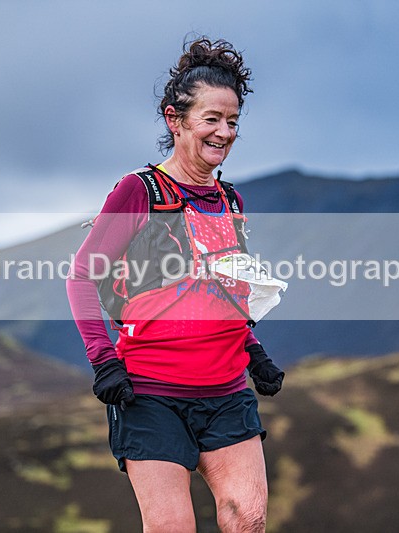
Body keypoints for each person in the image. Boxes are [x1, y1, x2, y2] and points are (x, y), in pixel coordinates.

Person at [66, 36, 284, 533]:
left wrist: (254, 351)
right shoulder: (138, 192)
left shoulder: (230, 201)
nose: (224, 132)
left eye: (232, 122)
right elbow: (82, 274)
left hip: (227, 391)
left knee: (246, 518)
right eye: (212, 119)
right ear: (175, 119)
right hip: (150, 394)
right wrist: (103, 362)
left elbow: (224, 291)